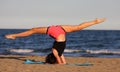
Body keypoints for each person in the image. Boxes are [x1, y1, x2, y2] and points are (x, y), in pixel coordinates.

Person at [5, 18, 106, 64]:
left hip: (59, 32)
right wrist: (62, 64)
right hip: (57, 31)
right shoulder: (56, 51)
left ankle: (14, 35)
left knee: (33, 30)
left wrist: (61, 63)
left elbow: (60, 59)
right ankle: (94, 21)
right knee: (33, 30)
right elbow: (60, 59)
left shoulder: (58, 51)